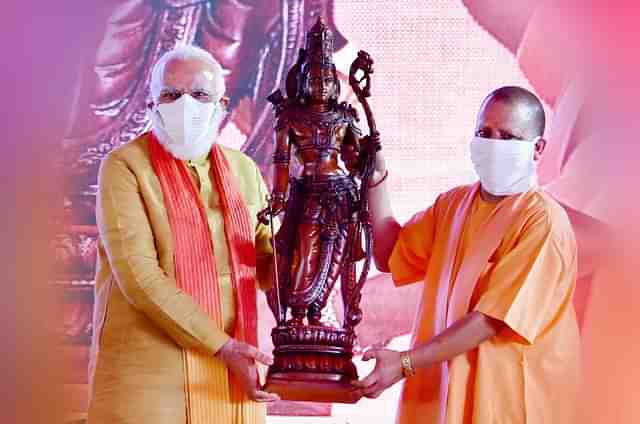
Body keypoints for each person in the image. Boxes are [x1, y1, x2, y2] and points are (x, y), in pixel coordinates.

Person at [355, 86, 580, 424]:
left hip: (504, 403)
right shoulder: (453, 205)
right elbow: (389, 257)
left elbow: (491, 319)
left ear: (537, 149)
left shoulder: (541, 221)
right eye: (484, 133)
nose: (493, 145)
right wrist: (374, 177)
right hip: (437, 399)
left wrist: (405, 363)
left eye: (507, 137)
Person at [88, 45, 279, 424]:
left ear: (222, 105)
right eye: (171, 95)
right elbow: (139, 277)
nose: (185, 106)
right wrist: (222, 347)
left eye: (200, 95)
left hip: (233, 376)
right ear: (152, 104)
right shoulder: (125, 167)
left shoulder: (243, 169)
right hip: (151, 380)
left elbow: (269, 264)